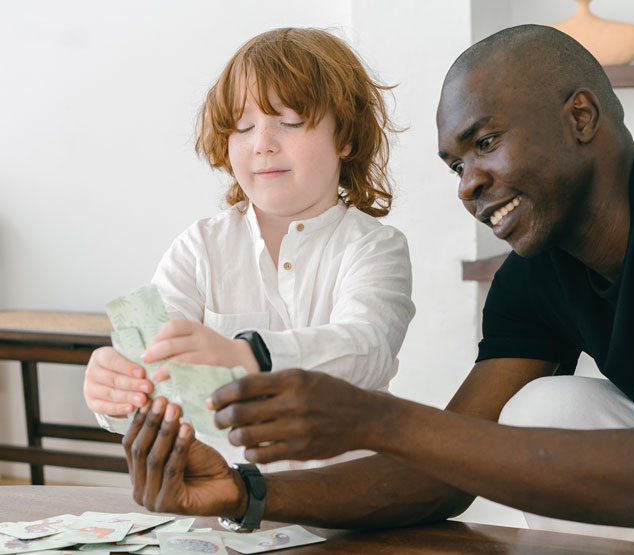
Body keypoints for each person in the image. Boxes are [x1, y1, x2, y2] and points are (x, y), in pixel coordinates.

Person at [119, 24, 634, 554]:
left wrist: (369, 416)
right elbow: (443, 471)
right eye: (455, 164)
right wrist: (242, 492)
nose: (468, 182)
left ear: (580, 116)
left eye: (486, 143)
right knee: (546, 407)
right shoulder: (534, 276)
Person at [82, 27, 415, 471]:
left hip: (347, 505)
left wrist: (252, 355)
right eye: (243, 127)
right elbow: (159, 378)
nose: (262, 144)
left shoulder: (375, 246)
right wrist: (116, 393)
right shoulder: (199, 248)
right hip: (230, 509)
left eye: (292, 121)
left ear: (347, 137)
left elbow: (367, 348)